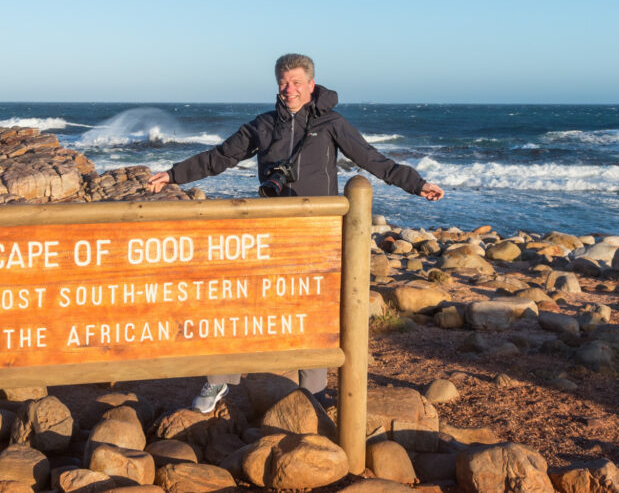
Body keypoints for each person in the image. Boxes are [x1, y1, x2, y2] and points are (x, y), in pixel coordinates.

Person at [147, 53, 444, 413]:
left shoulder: (331, 123)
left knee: (314, 311)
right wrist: (173, 174)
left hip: (317, 233)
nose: (290, 90)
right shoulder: (263, 125)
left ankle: (312, 396)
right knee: (240, 301)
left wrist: (417, 184)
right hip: (271, 231)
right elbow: (219, 157)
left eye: (297, 83)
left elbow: (372, 159)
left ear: (311, 85)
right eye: (284, 83)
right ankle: (218, 381)